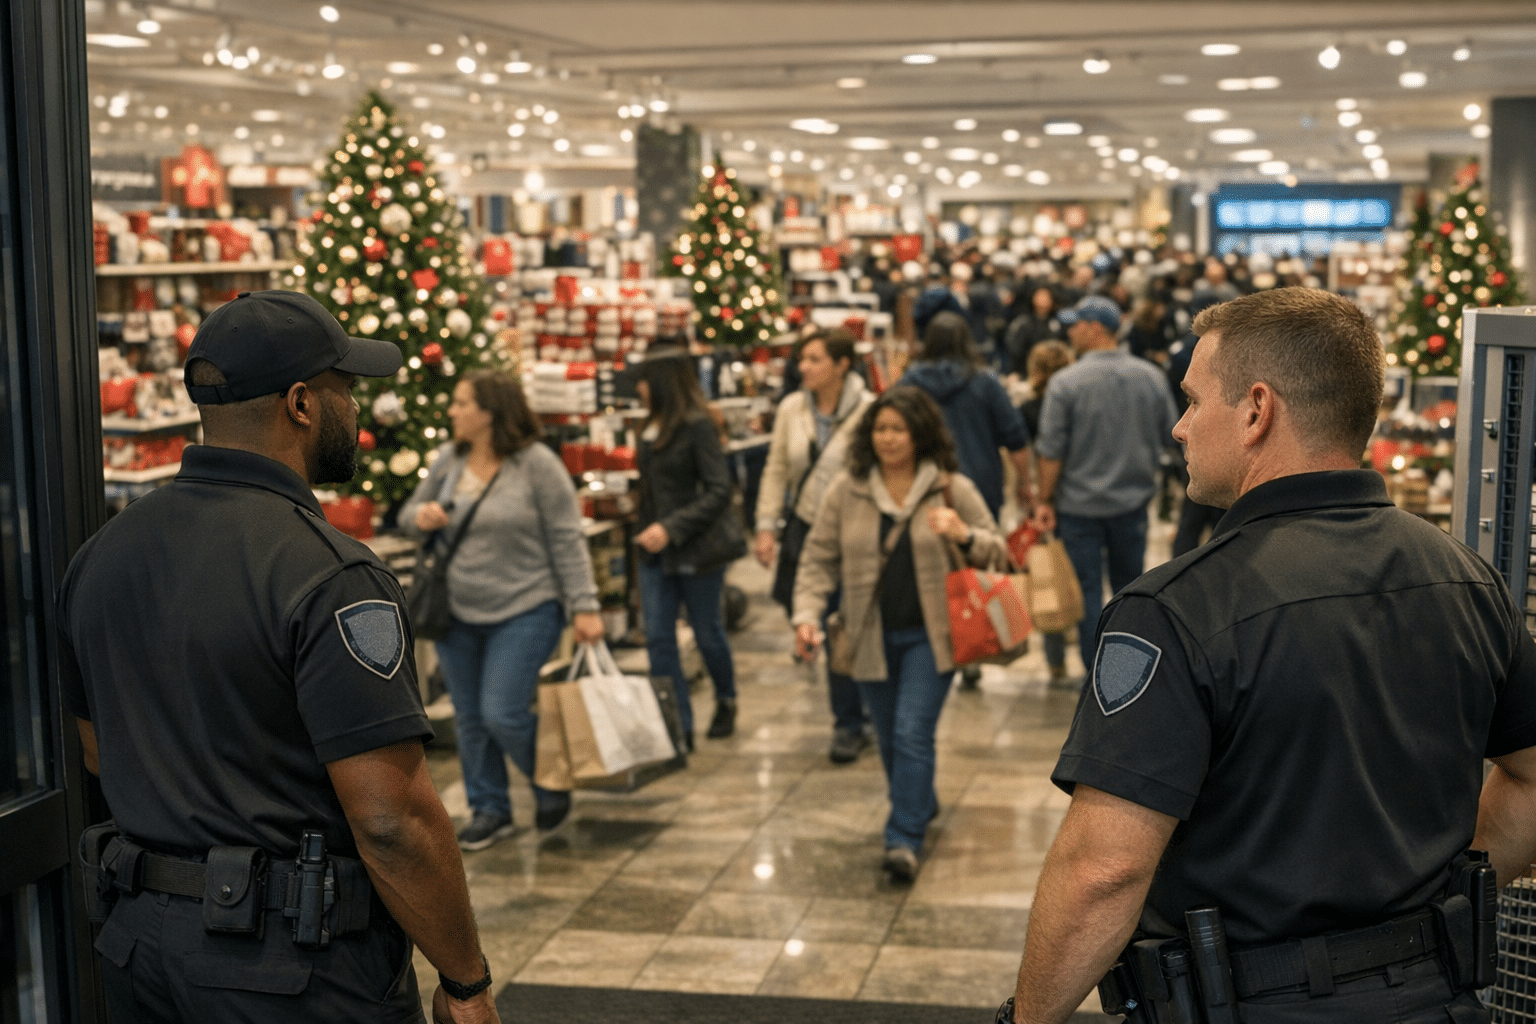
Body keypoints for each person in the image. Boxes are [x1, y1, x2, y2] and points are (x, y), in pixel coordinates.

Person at [1002, 287, 1536, 1024]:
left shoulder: (1174, 611)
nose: (1181, 427)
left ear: (1257, 410)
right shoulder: (1468, 579)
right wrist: (1451, 896)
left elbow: (1105, 870)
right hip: (1434, 1001)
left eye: (1193, 401)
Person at [58, 290, 499, 1024]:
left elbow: (101, 752)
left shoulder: (101, 556)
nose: (357, 410)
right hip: (290, 970)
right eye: (347, 390)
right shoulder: (331, 574)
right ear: (301, 403)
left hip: (137, 948)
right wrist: (465, 983)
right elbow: (392, 821)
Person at [792, 386, 1006, 884]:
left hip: (931, 638)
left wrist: (963, 534)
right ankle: (920, 800)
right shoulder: (848, 489)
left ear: (919, 435)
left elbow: (999, 553)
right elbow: (819, 558)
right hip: (867, 635)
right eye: (880, 429)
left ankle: (902, 839)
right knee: (890, 740)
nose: (888, 439)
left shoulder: (951, 488)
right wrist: (806, 614)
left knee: (912, 733)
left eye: (898, 429)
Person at [399, 371, 604, 852]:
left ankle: (551, 779)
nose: (452, 412)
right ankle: (490, 808)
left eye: (461, 403)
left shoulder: (537, 465)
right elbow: (408, 515)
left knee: (502, 713)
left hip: (526, 606)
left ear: (489, 411)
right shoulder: (449, 460)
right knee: (470, 719)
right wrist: (421, 518)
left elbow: (566, 538)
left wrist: (585, 604)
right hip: (456, 611)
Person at [1030, 295, 1178, 678]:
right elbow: (1171, 435)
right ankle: (1125, 676)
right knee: (1131, 592)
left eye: (1075, 324)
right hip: (1132, 503)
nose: (1069, 331)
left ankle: (1095, 678)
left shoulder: (1065, 383)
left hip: (1078, 507)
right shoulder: (1150, 376)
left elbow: (1051, 451)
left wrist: (1043, 499)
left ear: (1095, 329)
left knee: (1085, 594)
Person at [754, 329, 876, 763]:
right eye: (801, 360)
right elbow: (776, 469)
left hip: (856, 534)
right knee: (810, 614)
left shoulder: (869, 410)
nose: (803, 367)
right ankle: (853, 714)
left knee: (849, 621)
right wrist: (766, 525)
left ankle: (852, 721)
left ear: (842, 365)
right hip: (806, 528)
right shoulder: (791, 408)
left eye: (814, 359)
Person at [635, 343, 745, 748]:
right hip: (654, 552)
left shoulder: (698, 426)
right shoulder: (649, 428)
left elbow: (719, 490)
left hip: (697, 549)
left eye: (647, 380)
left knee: (707, 630)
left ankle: (726, 698)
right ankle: (677, 725)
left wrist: (672, 527)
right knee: (659, 637)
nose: (640, 388)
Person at [901, 310, 1034, 524]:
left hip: (924, 483)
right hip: (980, 484)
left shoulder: (910, 382)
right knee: (981, 549)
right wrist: (1025, 484)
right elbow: (1016, 439)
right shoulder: (986, 382)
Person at [1017, 341, 1075, 685]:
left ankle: (1055, 658)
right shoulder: (1075, 399)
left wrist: (1031, 494)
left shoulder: (1027, 408)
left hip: (1041, 498)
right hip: (1071, 495)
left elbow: (1025, 454)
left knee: (1045, 574)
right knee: (1076, 575)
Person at [1002, 285, 1064, 378]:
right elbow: (1014, 350)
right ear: (1032, 298)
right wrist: (1015, 372)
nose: (1043, 299)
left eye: (1047, 296)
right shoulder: (1023, 323)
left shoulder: (1057, 322)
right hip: (1026, 371)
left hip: (1053, 373)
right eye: (1040, 295)